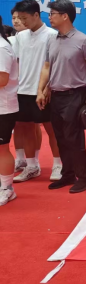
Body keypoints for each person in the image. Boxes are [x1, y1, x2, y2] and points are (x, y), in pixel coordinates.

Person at [37, 0, 86, 194]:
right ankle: (68, 174)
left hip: (75, 95)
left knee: (74, 137)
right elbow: (47, 66)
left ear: (65, 16)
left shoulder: (83, 41)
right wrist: (41, 90)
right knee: (60, 137)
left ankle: (84, 177)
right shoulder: (51, 39)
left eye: (52, 13)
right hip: (55, 96)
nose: (49, 17)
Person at [10, 0, 61, 183]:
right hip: (22, 89)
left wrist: (48, 87)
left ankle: (58, 164)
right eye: (18, 18)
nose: (21, 22)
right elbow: (15, 62)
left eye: (24, 18)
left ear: (36, 15)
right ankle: (32, 165)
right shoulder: (20, 36)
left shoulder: (52, 35)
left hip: (43, 91)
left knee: (52, 129)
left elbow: (55, 65)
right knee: (26, 128)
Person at [0, 15, 20, 206]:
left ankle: (7, 189)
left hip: (3, 108)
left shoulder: (2, 48)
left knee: (2, 149)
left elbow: (2, 80)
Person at [7, 11, 28, 172]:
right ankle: (20, 159)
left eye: (20, 18)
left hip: (31, 87)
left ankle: (35, 161)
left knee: (33, 126)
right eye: (14, 18)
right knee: (19, 124)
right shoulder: (10, 41)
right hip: (14, 88)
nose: (16, 21)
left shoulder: (42, 37)